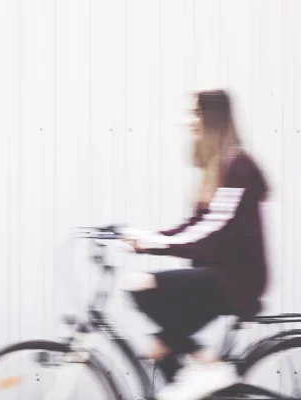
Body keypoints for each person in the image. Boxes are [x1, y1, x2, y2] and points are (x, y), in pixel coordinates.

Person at [121, 89, 269, 400]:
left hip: (236, 280)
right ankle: (207, 373)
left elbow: (213, 231)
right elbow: (195, 226)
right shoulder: (217, 168)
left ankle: (209, 366)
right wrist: (148, 236)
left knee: (140, 285)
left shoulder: (239, 167)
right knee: (161, 350)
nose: (189, 121)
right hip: (216, 277)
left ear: (212, 118)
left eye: (195, 113)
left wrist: (151, 243)